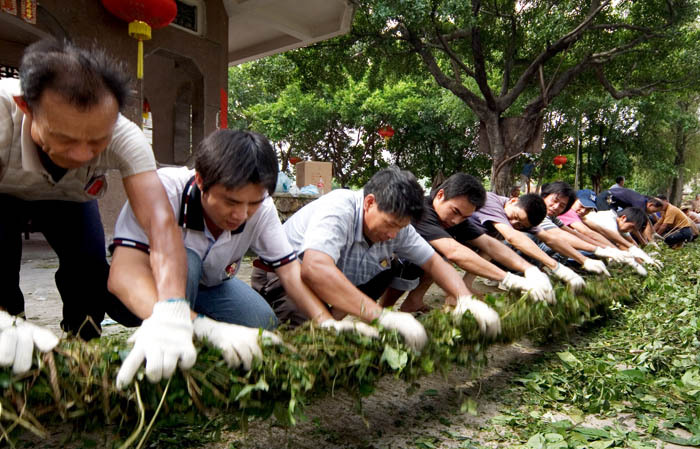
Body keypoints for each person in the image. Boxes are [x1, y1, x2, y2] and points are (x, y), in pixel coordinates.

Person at [109, 130, 380, 387]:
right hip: (151, 291)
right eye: (230, 202)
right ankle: (176, 352)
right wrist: (207, 329)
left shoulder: (262, 211)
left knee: (262, 323)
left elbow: (290, 272)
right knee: (186, 261)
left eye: (253, 203)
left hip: (213, 285)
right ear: (201, 181)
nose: (241, 215)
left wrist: (326, 322)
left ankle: (198, 332)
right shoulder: (164, 190)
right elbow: (122, 275)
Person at [0, 39, 190, 379]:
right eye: (65, 139)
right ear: (26, 107)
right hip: (4, 194)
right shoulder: (2, 112)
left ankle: (84, 349)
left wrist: (172, 307)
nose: (82, 155)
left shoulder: (123, 134)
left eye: (97, 141)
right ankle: (12, 351)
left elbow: (160, 222)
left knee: (88, 270)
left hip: (70, 199)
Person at [252, 168, 502, 351]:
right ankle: (313, 331)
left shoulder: (399, 225)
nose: (394, 234)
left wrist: (466, 300)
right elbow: (314, 269)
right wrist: (381, 316)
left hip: (333, 276)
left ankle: (330, 327)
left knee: (386, 269)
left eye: (401, 228)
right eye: (391, 224)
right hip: (283, 277)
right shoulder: (339, 208)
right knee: (299, 341)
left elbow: (434, 262)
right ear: (370, 202)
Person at [379, 173, 555, 313]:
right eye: (455, 211)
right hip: (379, 261)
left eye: (465, 217)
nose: (457, 221)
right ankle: (382, 312)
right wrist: (510, 279)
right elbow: (454, 251)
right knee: (417, 261)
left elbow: (488, 244)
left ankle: (412, 303)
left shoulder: (458, 219)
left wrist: (529, 270)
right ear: (440, 195)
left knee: (438, 259)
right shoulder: (421, 211)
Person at [469, 192, 587, 290]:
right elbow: (512, 236)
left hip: (475, 244)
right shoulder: (490, 201)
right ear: (513, 201)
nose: (513, 223)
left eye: (520, 224)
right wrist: (554, 266)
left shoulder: (526, 217)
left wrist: (587, 259)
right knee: (525, 239)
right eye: (515, 216)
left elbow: (550, 239)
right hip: (454, 238)